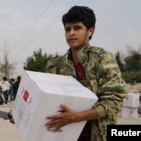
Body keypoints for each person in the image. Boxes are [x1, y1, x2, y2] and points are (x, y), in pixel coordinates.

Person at [44, 6, 127, 141]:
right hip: (62, 135)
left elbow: (113, 102)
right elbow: (45, 99)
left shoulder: (102, 58)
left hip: (96, 134)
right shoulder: (55, 65)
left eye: (77, 28)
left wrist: (77, 117)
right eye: (67, 29)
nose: (71, 33)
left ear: (90, 31)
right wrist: (22, 114)